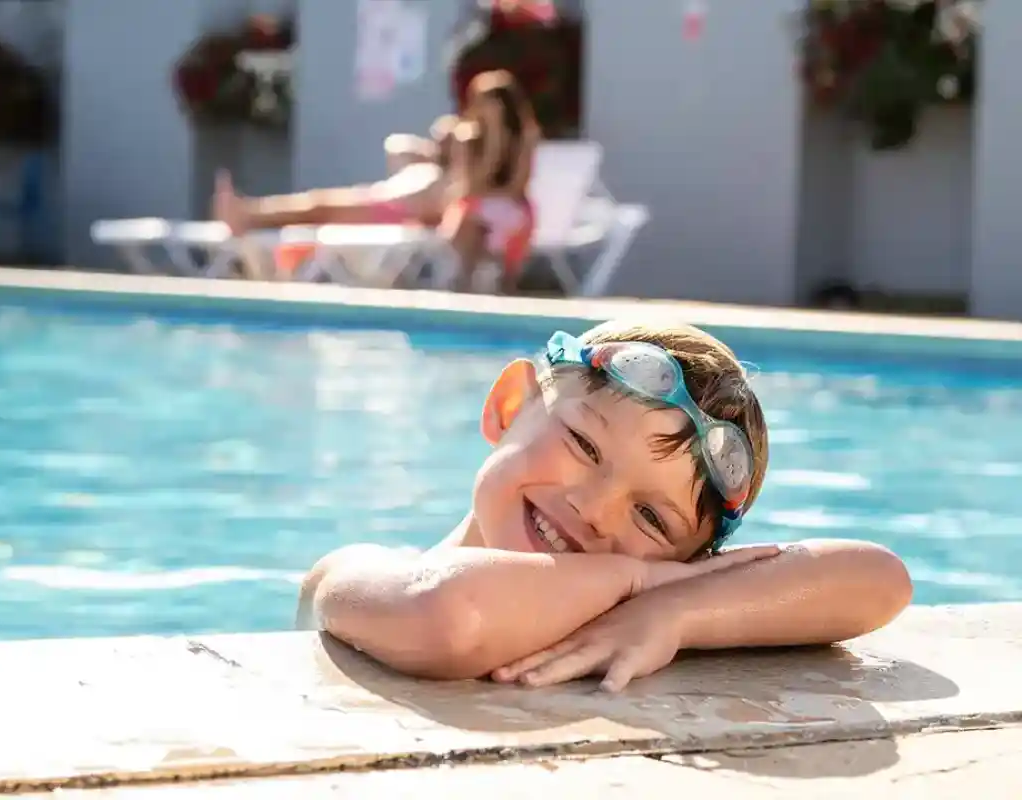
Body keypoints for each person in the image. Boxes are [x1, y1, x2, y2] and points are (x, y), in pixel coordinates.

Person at [298, 321, 912, 690]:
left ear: (691, 558)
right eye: (583, 443)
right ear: (510, 405)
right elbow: (449, 616)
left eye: (651, 518)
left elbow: (880, 579)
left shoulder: (658, 604)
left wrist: (679, 612)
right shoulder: (352, 571)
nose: (595, 508)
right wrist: (638, 576)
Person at [213, 115, 459, 232]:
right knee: (315, 202)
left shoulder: (450, 181)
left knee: (316, 207)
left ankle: (249, 216)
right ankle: (248, 211)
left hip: (384, 213)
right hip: (377, 203)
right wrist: (435, 150)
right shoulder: (428, 169)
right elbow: (396, 145)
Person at [441, 70, 540, 293]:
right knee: (471, 220)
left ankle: (501, 286)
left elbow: (517, 188)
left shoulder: (525, 139)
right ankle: (463, 286)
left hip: (511, 208)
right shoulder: (466, 137)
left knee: (489, 217)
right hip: (475, 208)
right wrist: (493, 146)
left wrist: (502, 138)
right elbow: (470, 187)